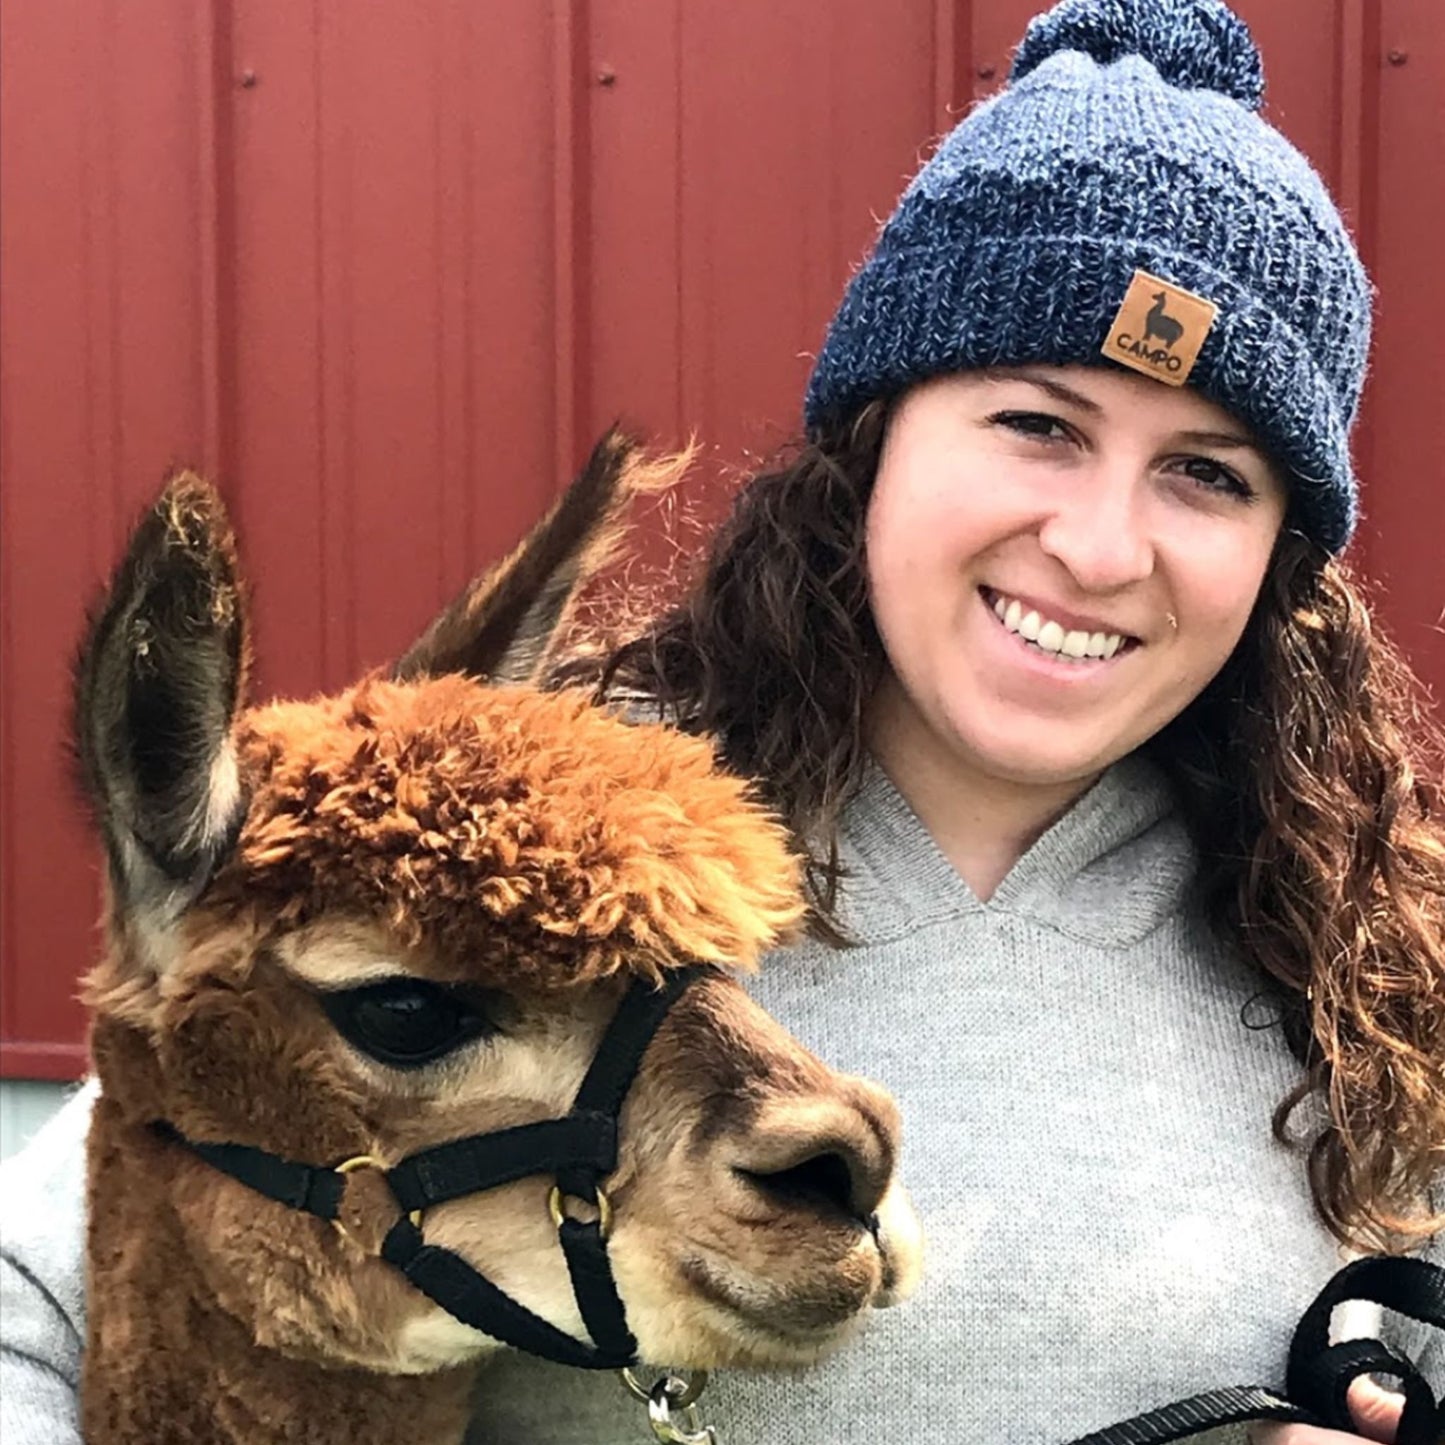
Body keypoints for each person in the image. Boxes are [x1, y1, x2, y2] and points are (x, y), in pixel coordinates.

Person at [2, 0, 1441, 1442]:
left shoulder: (1365, 962)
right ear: (876, 444)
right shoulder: (532, 854)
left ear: (1281, 554)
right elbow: (50, 1284)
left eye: (1208, 474)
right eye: (1037, 425)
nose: (1099, 544)